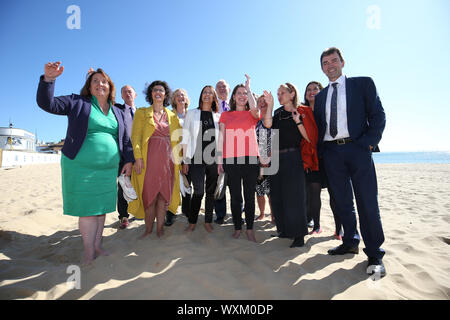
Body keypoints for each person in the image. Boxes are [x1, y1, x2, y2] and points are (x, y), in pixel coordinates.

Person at [36, 62, 134, 265]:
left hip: (108, 170)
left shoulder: (118, 111)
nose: (100, 84)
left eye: (104, 81)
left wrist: (129, 160)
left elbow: (124, 140)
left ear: (110, 87)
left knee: (101, 209)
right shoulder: (77, 102)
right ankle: (89, 252)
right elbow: (48, 104)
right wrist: (49, 79)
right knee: (88, 211)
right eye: (95, 81)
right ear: (89, 87)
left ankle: (98, 245)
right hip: (81, 167)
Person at [313, 47, 386, 277]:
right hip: (333, 154)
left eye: (334, 60)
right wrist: (323, 153)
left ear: (343, 62)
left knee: (367, 202)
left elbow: (378, 115)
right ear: (322, 68)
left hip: (358, 149)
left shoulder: (363, 84)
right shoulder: (321, 96)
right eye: (325, 63)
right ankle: (350, 241)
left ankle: (374, 253)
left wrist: (368, 144)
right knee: (342, 202)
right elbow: (319, 127)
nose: (330, 65)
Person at [217, 75, 270, 242]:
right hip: (231, 160)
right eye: (238, 93)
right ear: (233, 97)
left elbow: (256, 110)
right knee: (235, 196)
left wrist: (249, 87)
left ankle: (249, 229)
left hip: (251, 160)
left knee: (249, 196)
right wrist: (219, 160)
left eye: (244, 93)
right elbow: (221, 138)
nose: (242, 96)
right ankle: (238, 227)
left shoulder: (252, 114)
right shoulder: (225, 115)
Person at [128, 80, 182, 239]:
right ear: (150, 94)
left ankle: (160, 228)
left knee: (163, 197)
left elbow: (178, 140)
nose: (158, 92)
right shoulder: (142, 112)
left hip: (168, 161)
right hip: (148, 159)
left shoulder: (172, 115)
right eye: (155, 90)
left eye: (161, 90)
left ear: (166, 95)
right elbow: (135, 137)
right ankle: (148, 229)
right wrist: (137, 158)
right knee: (148, 197)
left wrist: (179, 161)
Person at [269, 82, 310, 248]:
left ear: (292, 93)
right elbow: (270, 133)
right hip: (276, 159)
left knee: (295, 196)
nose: (279, 96)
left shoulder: (302, 110)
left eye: (282, 93)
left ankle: (299, 235)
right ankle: (284, 230)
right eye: (278, 93)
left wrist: (298, 121)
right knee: (277, 196)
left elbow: (309, 137)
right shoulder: (277, 113)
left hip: (294, 156)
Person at [303, 81, 343, 239]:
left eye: (315, 89)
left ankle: (339, 229)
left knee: (335, 194)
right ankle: (317, 226)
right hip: (312, 158)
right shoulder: (302, 111)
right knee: (313, 194)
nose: (312, 92)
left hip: (329, 156)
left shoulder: (326, 109)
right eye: (309, 90)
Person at [182, 86, 220, 233]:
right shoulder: (192, 113)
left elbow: (221, 139)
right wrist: (185, 160)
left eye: (210, 93)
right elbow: (185, 138)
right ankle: (192, 222)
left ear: (214, 98)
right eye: (205, 92)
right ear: (201, 95)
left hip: (213, 159)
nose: (207, 95)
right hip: (195, 158)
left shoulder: (217, 116)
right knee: (198, 191)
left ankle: (208, 221)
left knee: (211, 192)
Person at [165, 88, 191, 226]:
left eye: (183, 95)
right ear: (173, 100)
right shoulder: (169, 115)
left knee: (187, 184)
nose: (180, 97)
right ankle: (170, 213)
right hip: (174, 154)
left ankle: (187, 212)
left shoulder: (192, 115)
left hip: (191, 154)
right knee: (172, 185)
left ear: (186, 99)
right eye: (177, 96)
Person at [116, 85, 137, 229]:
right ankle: (123, 216)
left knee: (140, 182)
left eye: (130, 91)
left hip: (140, 152)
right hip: (123, 152)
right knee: (123, 184)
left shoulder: (142, 112)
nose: (127, 93)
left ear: (135, 95)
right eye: (124, 92)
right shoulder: (117, 109)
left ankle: (139, 210)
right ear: (121, 96)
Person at [213, 79, 231, 224]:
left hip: (234, 149)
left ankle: (238, 212)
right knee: (219, 182)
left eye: (224, 86)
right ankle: (220, 214)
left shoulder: (236, 104)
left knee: (235, 183)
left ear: (229, 89)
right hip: (215, 150)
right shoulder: (212, 106)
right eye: (218, 87)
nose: (221, 89)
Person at [255, 94, 274, 222]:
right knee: (259, 189)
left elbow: (275, 139)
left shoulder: (273, 119)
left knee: (271, 190)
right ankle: (262, 213)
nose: (262, 103)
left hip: (271, 158)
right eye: (259, 101)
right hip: (256, 159)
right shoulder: (255, 121)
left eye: (264, 101)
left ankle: (273, 215)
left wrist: (267, 158)